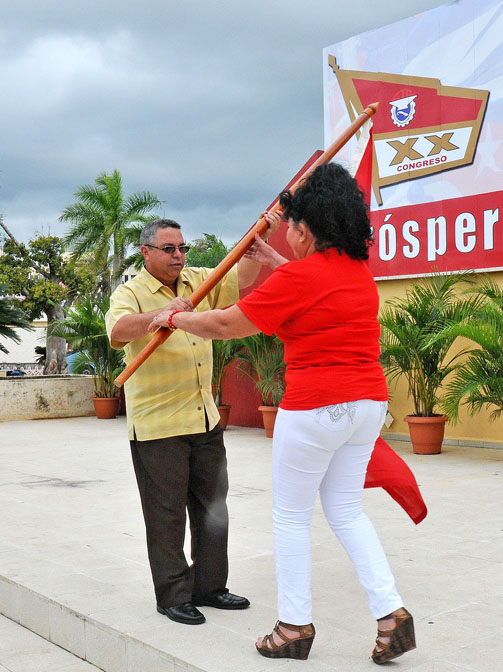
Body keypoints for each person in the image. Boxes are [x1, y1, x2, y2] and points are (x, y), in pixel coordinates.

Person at [150, 164, 416, 663]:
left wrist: (175, 316)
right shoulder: (357, 272)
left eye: (292, 227)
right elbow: (313, 290)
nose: (288, 235)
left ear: (306, 228)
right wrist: (273, 258)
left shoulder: (299, 278)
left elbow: (226, 324)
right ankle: (390, 612)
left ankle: (294, 626)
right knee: (346, 510)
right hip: (366, 406)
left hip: (315, 408)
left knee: (291, 517)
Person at [105, 216, 276, 626]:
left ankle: (211, 587)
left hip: (204, 418)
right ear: (145, 252)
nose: (179, 255)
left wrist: (253, 248)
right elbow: (118, 330)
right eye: (169, 249)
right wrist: (160, 315)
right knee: (165, 515)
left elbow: (240, 280)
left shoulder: (199, 279)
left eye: (182, 248)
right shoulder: (131, 292)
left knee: (213, 506)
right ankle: (173, 596)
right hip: (158, 424)